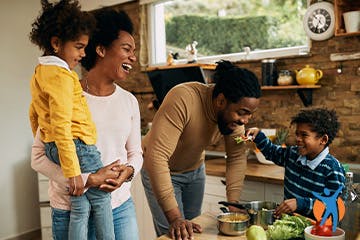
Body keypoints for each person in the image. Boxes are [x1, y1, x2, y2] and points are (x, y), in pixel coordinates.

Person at [31, 7, 142, 240]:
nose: (134, 57)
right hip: (70, 211)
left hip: (120, 208)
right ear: (100, 50)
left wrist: (128, 172)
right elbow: (38, 157)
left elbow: (135, 153)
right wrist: (88, 180)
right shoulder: (64, 94)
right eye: (127, 49)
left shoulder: (129, 101)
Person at [141, 60, 262, 239]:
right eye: (242, 112)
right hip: (161, 170)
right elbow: (156, 156)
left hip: (195, 172)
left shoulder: (234, 118)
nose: (245, 120)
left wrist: (233, 203)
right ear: (221, 100)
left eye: (249, 114)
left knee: (194, 233)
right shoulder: (184, 98)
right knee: (176, 233)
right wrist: (175, 218)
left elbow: (236, 157)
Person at [245, 108, 346, 219]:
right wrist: (258, 135)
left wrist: (300, 203)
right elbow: (272, 152)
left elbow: (335, 206)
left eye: (304, 135)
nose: (298, 139)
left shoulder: (333, 169)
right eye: (297, 134)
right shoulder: (293, 154)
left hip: (315, 231)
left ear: (323, 139)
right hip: (287, 223)